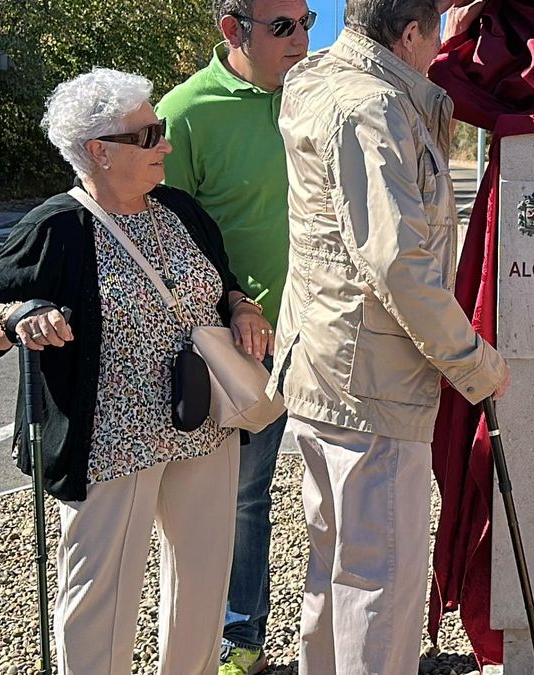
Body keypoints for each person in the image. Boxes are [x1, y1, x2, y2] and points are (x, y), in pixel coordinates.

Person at [0, 68, 273, 674]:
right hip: (110, 442)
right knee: (100, 598)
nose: (167, 146)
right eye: (150, 134)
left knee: (203, 584)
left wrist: (242, 307)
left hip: (202, 425)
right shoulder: (55, 227)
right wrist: (18, 315)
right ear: (99, 151)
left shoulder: (179, 208)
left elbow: (222, 282)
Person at [270, 0, 510, 672]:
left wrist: (443, 37)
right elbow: (397, 263)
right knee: (381, 586)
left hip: (326, 369)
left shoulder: (319, 79)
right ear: (407, 35)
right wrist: (472, 360)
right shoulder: (372, 110)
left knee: (337, 573)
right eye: (430, 33)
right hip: (372, 384)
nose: (438, 47)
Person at [156, 1, 311, 671]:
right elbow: (167, 236)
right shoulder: (185, 112)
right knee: (243, 497)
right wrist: (234, 304)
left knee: (328, 489)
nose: (303, 39)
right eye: (285, 27)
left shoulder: (316, 95)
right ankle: (235, 643)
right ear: (232, 30)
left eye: (307, 21)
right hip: (241, 348)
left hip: (325, 334)